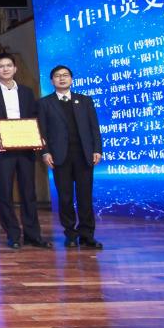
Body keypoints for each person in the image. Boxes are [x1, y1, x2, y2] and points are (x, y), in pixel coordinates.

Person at [0, 52, 51, 250]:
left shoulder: (27, 91)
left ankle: (33, 235)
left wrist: (38, 136)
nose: (5, 69)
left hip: (25, 147)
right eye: (1, 66)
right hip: (2, 148)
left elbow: (35, 117)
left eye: (9, 65)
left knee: (29, 192)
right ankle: (13, 234)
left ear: (15, 68)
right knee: (5, 193)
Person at [38, 65, 104, 249]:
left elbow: (94, 128)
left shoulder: (85, 100)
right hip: (60, 156)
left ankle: (87, 235)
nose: (62, 78)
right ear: (52, 81)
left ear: (71, 79)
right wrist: (45, 152)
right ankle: (70, 234)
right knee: (65, 197)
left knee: (85, 197)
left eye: (65, 75)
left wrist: (97, 149)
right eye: (57, 76)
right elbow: (41, 131)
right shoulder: (44, 103)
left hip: (84, 155)